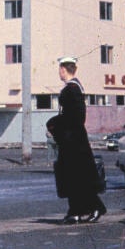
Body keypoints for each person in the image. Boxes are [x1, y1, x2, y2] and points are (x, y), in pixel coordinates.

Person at [46, 56, 105, 224]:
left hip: (73, 141)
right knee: (76, 177)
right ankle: (81, 210)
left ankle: (85, 210)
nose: (59, 72)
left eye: (59, 69)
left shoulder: (71, 89)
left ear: (63, 69)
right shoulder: (74, 88)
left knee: (75, 177)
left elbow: (74, 117)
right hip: (74, 139)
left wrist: (53, 125)